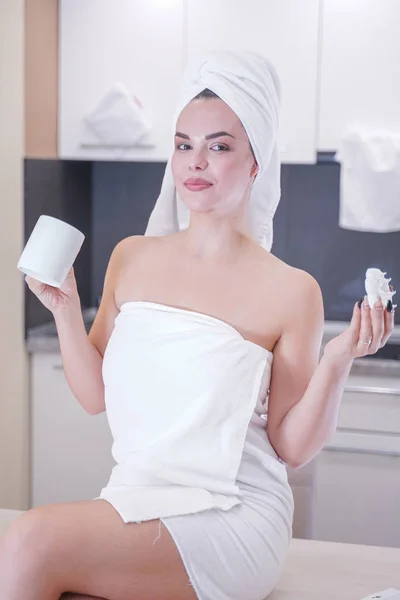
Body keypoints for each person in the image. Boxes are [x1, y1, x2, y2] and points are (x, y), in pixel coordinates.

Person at [0, 51, 394, 600]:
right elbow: (95, 396)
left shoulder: (291, 291)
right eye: (184, 144)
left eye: (220, 146)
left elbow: (291, 446)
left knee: (28, 543)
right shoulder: (131, 257)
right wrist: (65, 309)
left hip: (232, 511)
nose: (196, 162)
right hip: (136, 496)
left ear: (257, 162)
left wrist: (337, 361)